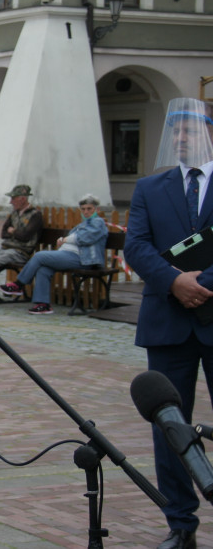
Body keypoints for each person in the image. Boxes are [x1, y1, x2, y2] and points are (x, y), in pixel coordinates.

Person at [124, 98, 213, 549]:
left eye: (191, 130)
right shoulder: (150, 188)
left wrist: (204, 284)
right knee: (170, 428)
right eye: (175, 131)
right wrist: (176, 281)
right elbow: (136, 247)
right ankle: (181, 524)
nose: (182, 138)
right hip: (167, 321)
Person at [0, 194, 108, 314]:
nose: (86, 212)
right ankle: (43, 305)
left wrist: (65, 240)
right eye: (83, 209)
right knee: (44, 269)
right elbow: (74, 238)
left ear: (97, 209)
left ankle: (19, 284)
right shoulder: (84, 224)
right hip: (69, 255)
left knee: (40, 256)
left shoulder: (98, 222)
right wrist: (64, 240)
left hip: (83, 259)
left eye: (89, 209)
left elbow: (85, 238)